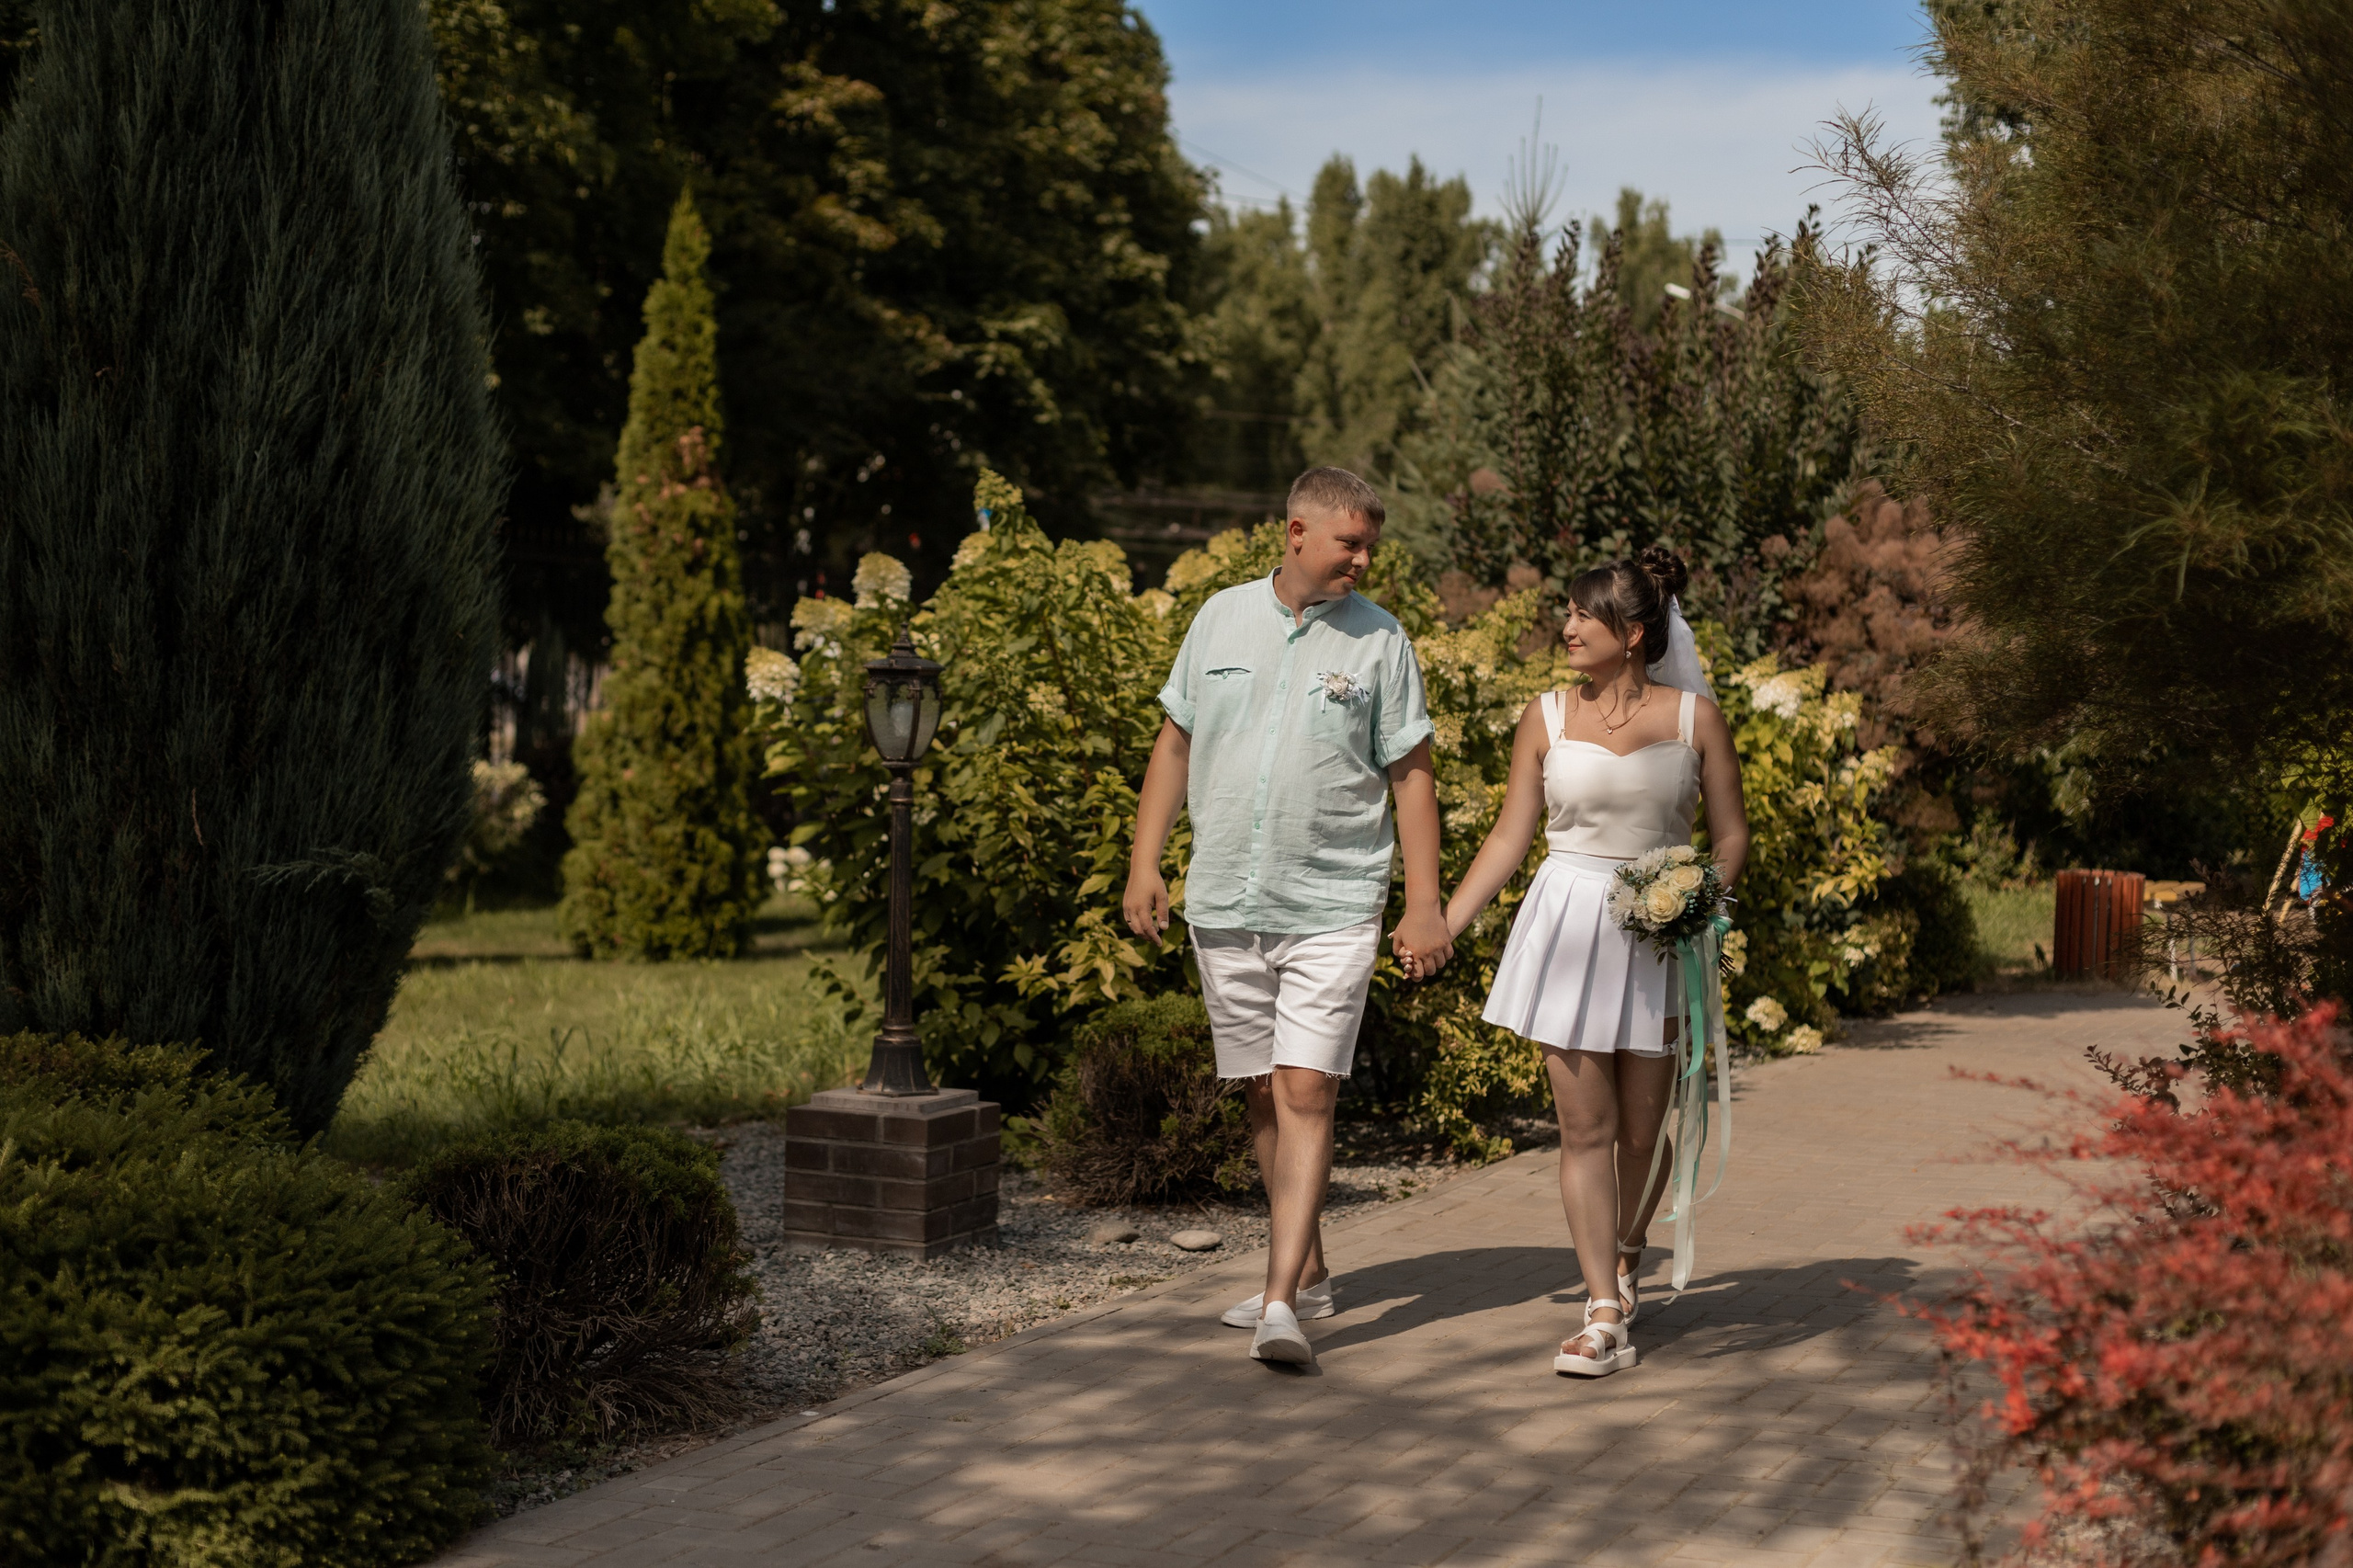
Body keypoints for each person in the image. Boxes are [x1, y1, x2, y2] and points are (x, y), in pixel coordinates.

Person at [1122, 466, 1452, 1368]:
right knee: (1262, 1090)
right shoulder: (1219, 618)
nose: (1363, 559)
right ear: (1297, 532)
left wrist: (1424, 901)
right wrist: (1145, 862)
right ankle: (1306, 1271)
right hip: (1225, 899)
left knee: (1307, 1089)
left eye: (1370, 545)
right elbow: (1176, 743)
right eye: (1350, 542)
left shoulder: (1382, 640)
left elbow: (1412, 774)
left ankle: (1279, 1304)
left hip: (1334, 901)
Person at [1430, 544, 1748, 1378]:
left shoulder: (1695, 720)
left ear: (1634, 633)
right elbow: (1511, 836)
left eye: (1584, 614)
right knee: (1585, 1130)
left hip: (1657, 936)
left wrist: (1696, 900)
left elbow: (1730, 835)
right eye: (1568, 613)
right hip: (1569, 924)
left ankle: (1629, 1251)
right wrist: (1444, 923)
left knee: (1643, 1131)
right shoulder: (1543, 716)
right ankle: (1603, 1310)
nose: (1567, 626)